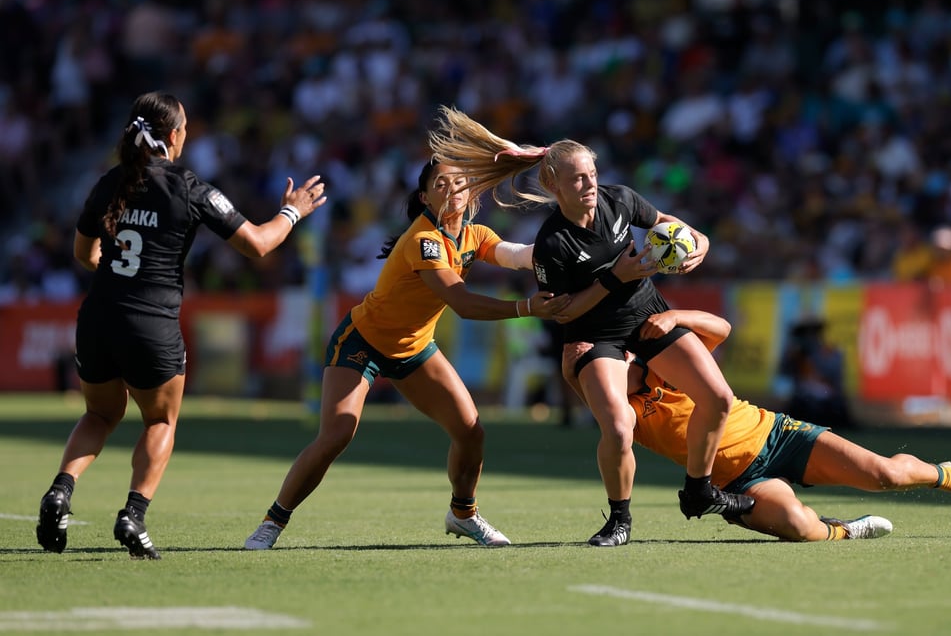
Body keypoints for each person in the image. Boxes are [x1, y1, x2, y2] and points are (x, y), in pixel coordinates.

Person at [428, 106, 754, 547]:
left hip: (647, 315)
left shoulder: (619, 199)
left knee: (717, 398)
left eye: (592, 174)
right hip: (592, 335)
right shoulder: (552, 243)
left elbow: (667, 224)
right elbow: (564, 312)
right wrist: (614, 277)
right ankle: (619, 521)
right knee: (619, 428)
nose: (589, 184)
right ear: (553, 184)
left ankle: (698, 490)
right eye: (578, 178)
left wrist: (702, 242)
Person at [35, 91, 326, 559]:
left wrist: (118, 267)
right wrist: (293, 211)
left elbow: (83, 254)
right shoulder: (189, 186)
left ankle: (60, 491)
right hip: (151, 322)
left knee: (98, 415)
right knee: (159, 419)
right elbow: (257, 244)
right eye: (185, 127)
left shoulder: (108, 183)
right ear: (173, 135)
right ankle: (133, 515)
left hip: (99, 315)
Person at [244, 158, 569, 550]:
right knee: (336, 435)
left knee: (471, 432)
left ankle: (463, 514)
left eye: (461, 184)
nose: (453, 191)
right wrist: (527, 307)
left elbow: (518, 255)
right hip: (362, 341)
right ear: (425, 196)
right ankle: (272, 521)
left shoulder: (474, 234)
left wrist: (567, 244)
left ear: (471, 194)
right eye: (442, 184)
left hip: (413, 349)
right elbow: (461, 302)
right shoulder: (423, 240)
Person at [599, 308, 951, 541]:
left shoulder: (666, 365)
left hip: (777, 435)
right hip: (738, 482)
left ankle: (949, 476)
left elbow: (721, 329)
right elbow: (616, 435)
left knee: (886, 475)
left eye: (623, 358)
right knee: (797, 525)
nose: (620, 364)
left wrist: (675, 317)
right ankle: (844, 531)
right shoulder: (623, 411)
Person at [775, 315, 855, 429]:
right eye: (804, 332)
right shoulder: (795, 354)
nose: (809, 336)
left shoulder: (830, 352)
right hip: (802, 400)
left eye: (812, 331)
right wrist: (794, 359)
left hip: (828, 398)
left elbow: (835, 380)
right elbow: (784, 373)